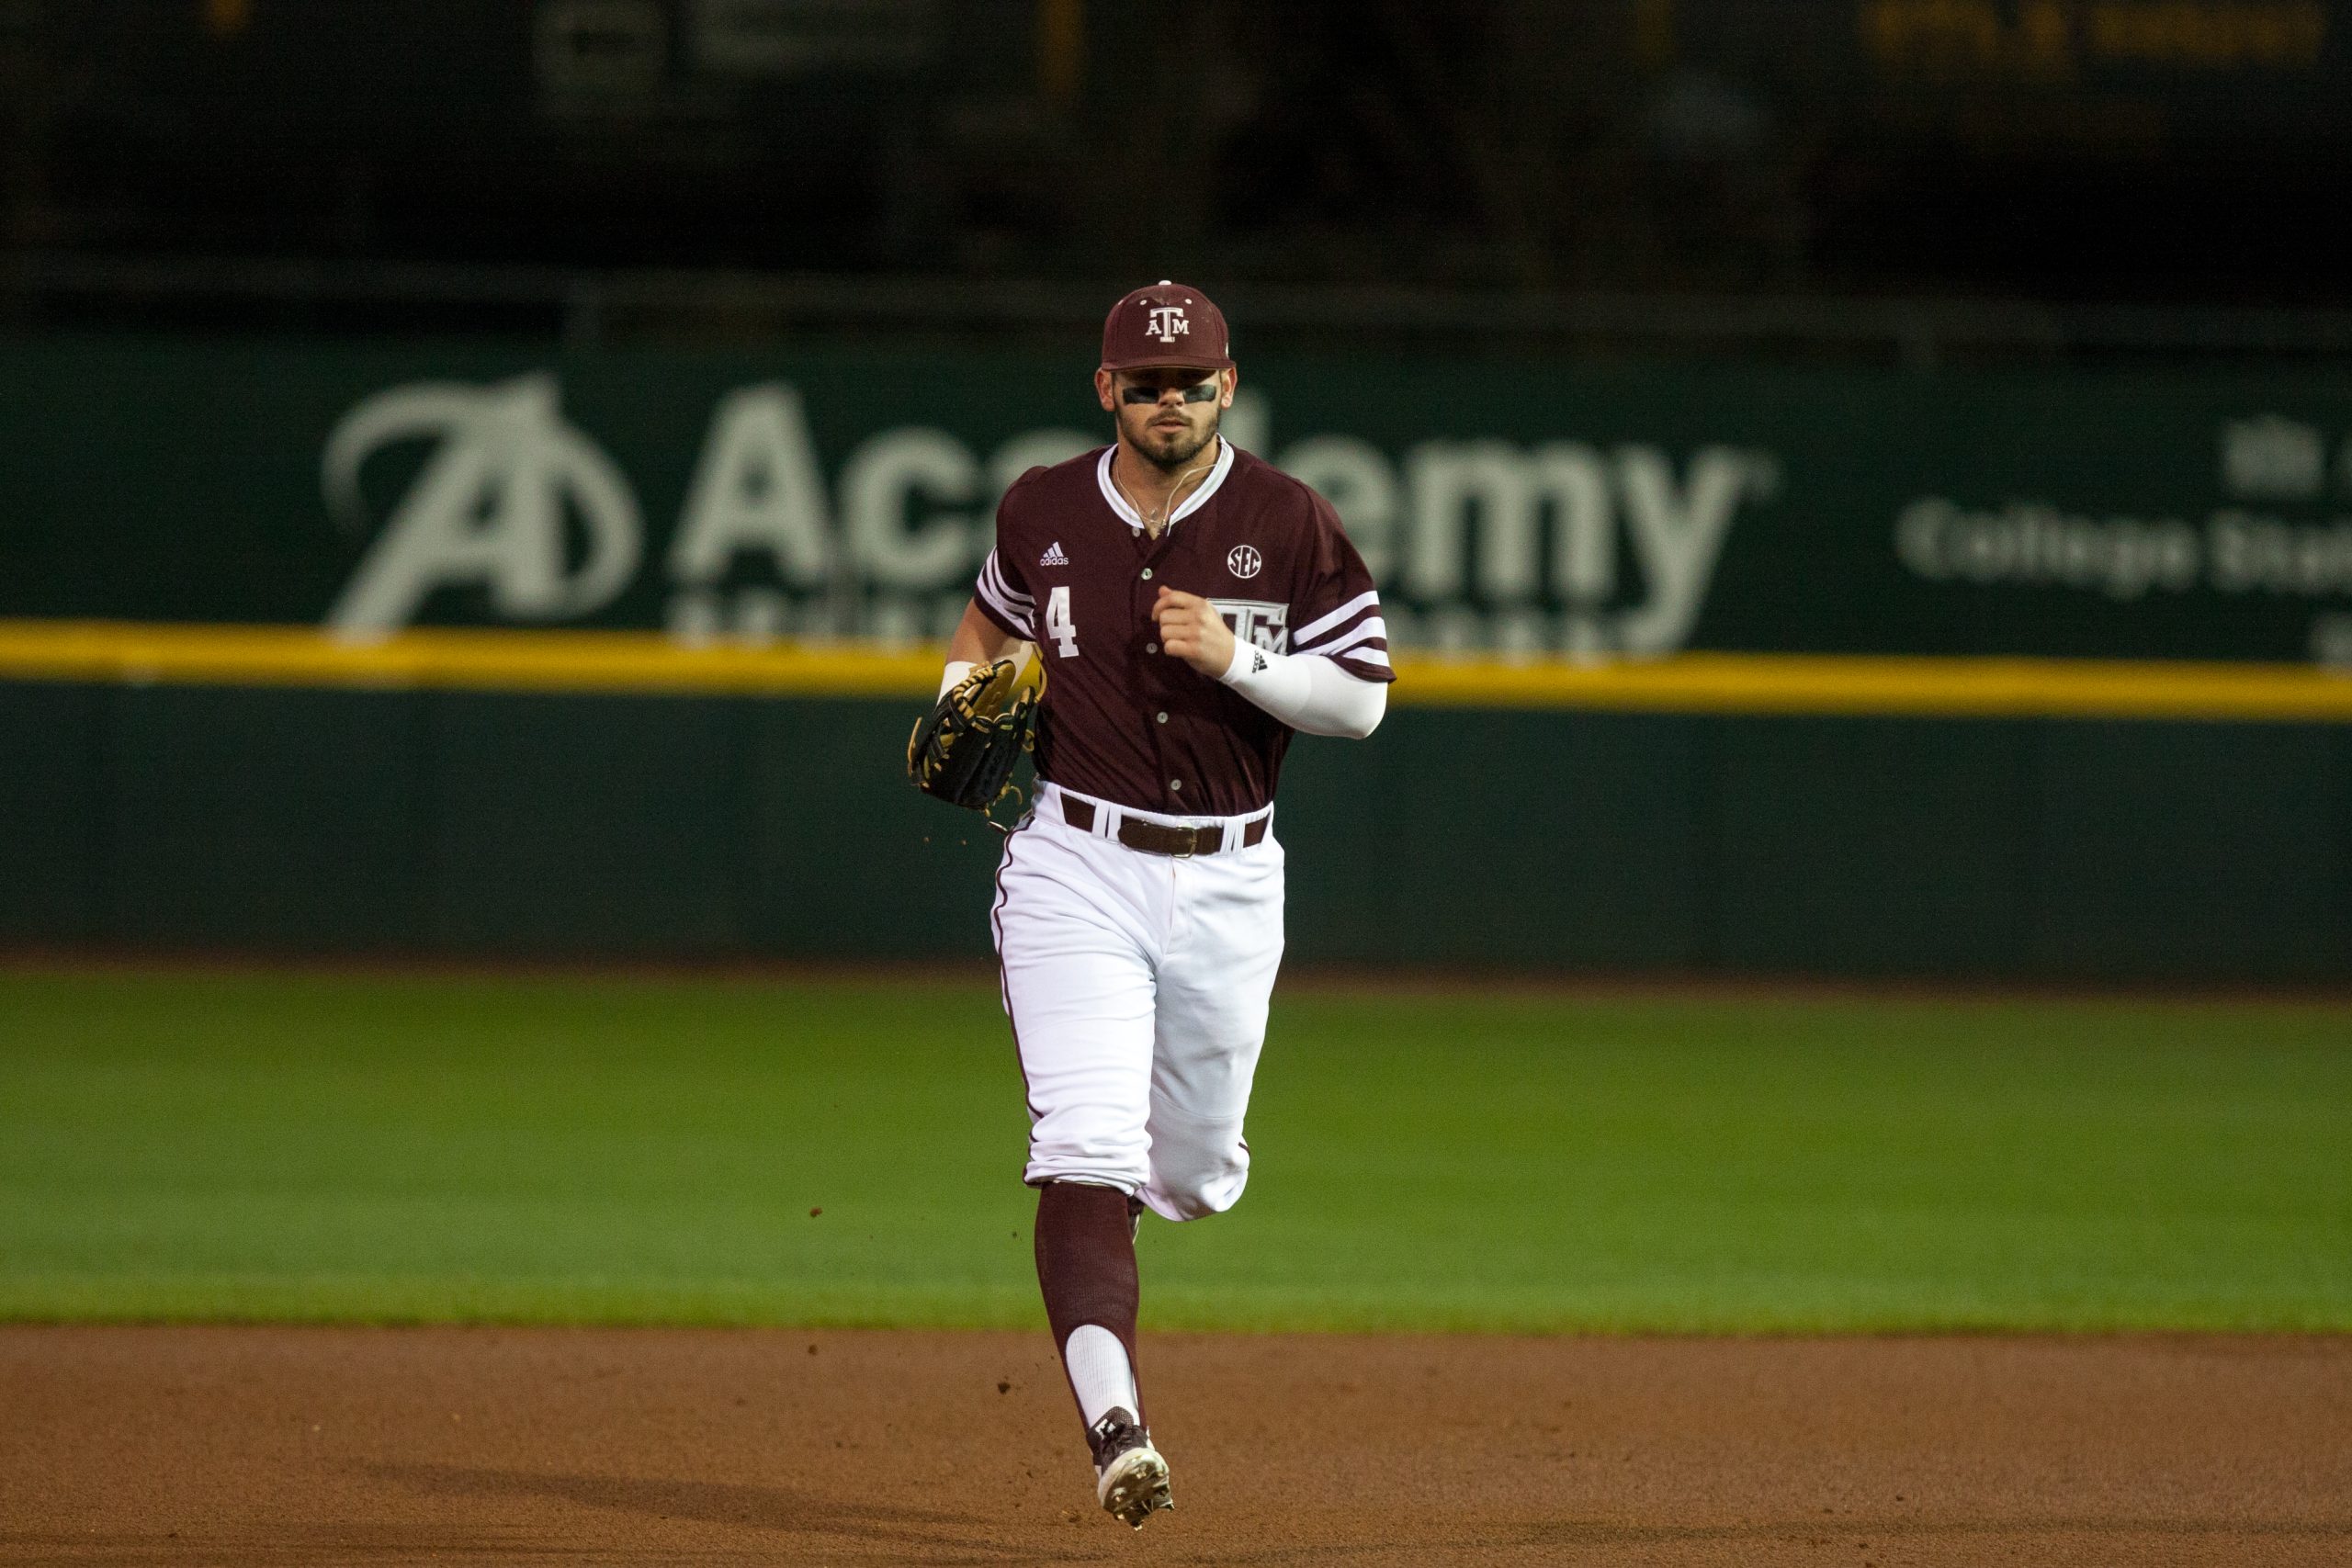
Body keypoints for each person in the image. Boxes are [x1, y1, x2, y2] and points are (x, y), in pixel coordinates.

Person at [937, 280, 1393, 1529]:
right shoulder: (1041, 505)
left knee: (1187, 1174)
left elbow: (1363, 698)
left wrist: (1240, 658)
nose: (1170, 399)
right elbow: (990, 621)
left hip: (1232, 877)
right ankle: (1116, 1431)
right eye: (1146, 382)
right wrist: (953, 691)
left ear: (1227, 386)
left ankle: (1122, 1194)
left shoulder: (1286, 518)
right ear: (1108, 392)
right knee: (1085, 1145)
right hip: (1075, 865)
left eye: (1192, 379)